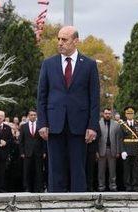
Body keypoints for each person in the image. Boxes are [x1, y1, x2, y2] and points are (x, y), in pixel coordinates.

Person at [37, 25, 100, 192]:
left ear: (76, 41)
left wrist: (92, 126)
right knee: (55, 168)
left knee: (77, 168)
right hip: (54, 124)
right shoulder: (48, 64)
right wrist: (42, 123)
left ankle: (79, 207)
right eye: (58, 39)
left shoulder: (89, 65)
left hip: (79, 126)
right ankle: (55, 205)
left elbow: (94, 99)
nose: (60, 43)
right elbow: (41, 96)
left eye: (64, 40)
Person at [19, 109, 46, 193]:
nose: (33, 116)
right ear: (28, 116)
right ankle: (27, 188)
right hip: (27, 153)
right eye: (31, 115)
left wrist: (44, 151)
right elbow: (21, 140)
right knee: (27, 171)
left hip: (38, 152)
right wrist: (22, 152)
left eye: (34, 115)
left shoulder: (40, 126)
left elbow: (44, 140)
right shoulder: (24, 126)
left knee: (39, 171)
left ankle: (39, 188)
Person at [97, 108, 122, 191]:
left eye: (109, 113)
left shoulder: (116, 124)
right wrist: (96, 151)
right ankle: (101, 186)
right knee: (101, 170)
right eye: (106, 113)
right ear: (103, 114)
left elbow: (118, 139)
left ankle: (113, 186)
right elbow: (96, 140)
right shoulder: (98, 124)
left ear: (111, 114)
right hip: (101, 150)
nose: (107, 115)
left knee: (112, 170)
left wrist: (118, 151)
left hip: (112, 150)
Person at [119, 106, 138, 191]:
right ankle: (128, 186)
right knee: (127, 169)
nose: (130, 115)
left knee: (135, 169)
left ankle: (135, 186)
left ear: (134, 114)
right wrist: (122, 151)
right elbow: (120, 139)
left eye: (131, 113)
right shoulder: (122, 125)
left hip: (136, 149)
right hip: (126, 149)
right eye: (128, 113)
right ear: (125, 114)